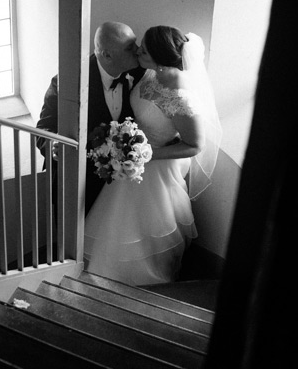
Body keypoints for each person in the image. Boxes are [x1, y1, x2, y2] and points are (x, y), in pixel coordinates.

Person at [83, 26, 222, 285]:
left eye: (143, 49)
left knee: (142, 230)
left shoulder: (180, 97)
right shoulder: (147, 72)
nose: (137, 51)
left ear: (158, 57)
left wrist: (147, 155)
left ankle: (143, 278)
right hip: (131, 160)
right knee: (114, 224)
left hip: (154, 166)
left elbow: (195, 145)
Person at [36, 21, 144, 215]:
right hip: (77, 181)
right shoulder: (66, 83)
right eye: (130, 48)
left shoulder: (139, 71)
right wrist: (53, 144)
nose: (137, 50)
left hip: (121, 183)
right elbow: (44, 128)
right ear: (107, 55)